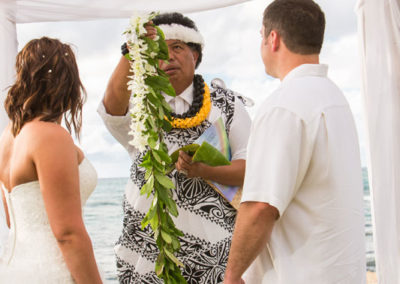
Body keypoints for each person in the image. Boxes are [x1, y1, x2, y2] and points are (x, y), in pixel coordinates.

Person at [98, 12, 252, 283]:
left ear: (195, 54)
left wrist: (204, 169)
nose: (167, 57)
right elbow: (111, 107)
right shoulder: (140, 103)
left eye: (177, 48)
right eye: (158, 50)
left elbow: (251, 169)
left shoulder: (227, 105)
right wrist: (132, 48)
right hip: (147, 253)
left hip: (213, 254)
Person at [224, 0, 366, 283]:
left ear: (272, 38)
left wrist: (232, 274)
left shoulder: (283, 106)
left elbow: (262, 205)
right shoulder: (335, 98)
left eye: (260, 35)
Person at [0, 37, 103, 283]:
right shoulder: (51, 136)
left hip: (15, 269)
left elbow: (11, 219)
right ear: (68, 82)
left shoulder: (9, 135)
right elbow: (68, 234)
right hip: (52, 273)